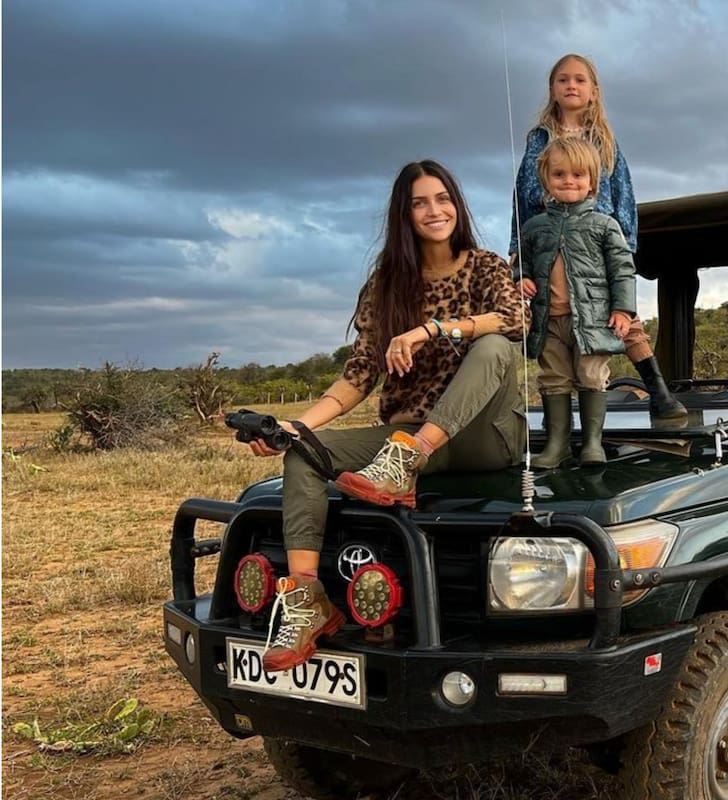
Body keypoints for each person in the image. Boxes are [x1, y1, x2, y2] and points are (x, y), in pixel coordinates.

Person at [245, 160, 527, 672]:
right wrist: (299, 426)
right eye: (420, 202)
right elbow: (357, 375)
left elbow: (514, 320)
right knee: (305, 456)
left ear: (457, 205)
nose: (434, 210)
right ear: (405, 213)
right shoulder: (387, 285)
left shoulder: (485, 265)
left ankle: (407, 459)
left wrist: (431, 329)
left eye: (442, 199)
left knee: (492, 344)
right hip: (410, 435)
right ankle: (307, 601)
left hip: (484, 433)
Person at [510, 53, 687, 421]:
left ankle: (658, 391)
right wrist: (518, 253)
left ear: (593, 91)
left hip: (596, 240)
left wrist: (626, 249)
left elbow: (625, 194)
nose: (570, 85)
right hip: (549, 238)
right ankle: (561, 419)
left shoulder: (604, 140)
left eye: (579, 80)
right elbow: (520, 194)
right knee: (558, 321)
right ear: (552, 90)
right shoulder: (537, 139)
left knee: (620, 318)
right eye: (562, 80)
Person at [519, 137, 636, 468]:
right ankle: (557, 445)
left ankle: (592, 443)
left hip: (593, 321)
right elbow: (522, 264)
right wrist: (520, 278)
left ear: (592, 182)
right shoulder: (534, 227)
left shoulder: (604, 225)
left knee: (591, 374)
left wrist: (623, 309)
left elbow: (622, 270)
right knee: (554, 377)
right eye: (559, 175)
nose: (569, 181)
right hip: (549, 321)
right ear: (546, 180)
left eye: (578, 176)